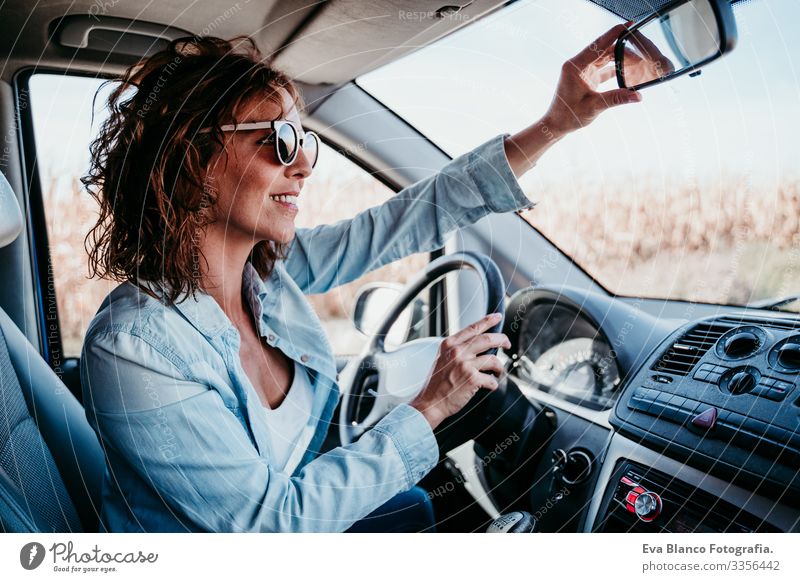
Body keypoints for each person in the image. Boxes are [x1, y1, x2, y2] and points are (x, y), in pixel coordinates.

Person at [80, 26, 641, 533]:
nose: (301, 165)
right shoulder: (134, 348)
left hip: (308, 496)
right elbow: (267, 530)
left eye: (304, 144)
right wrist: (427, 407)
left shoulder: (271, 273)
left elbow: (407, 219)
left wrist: (555, 124)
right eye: (278, 142)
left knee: (443, 472)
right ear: (192, 157)